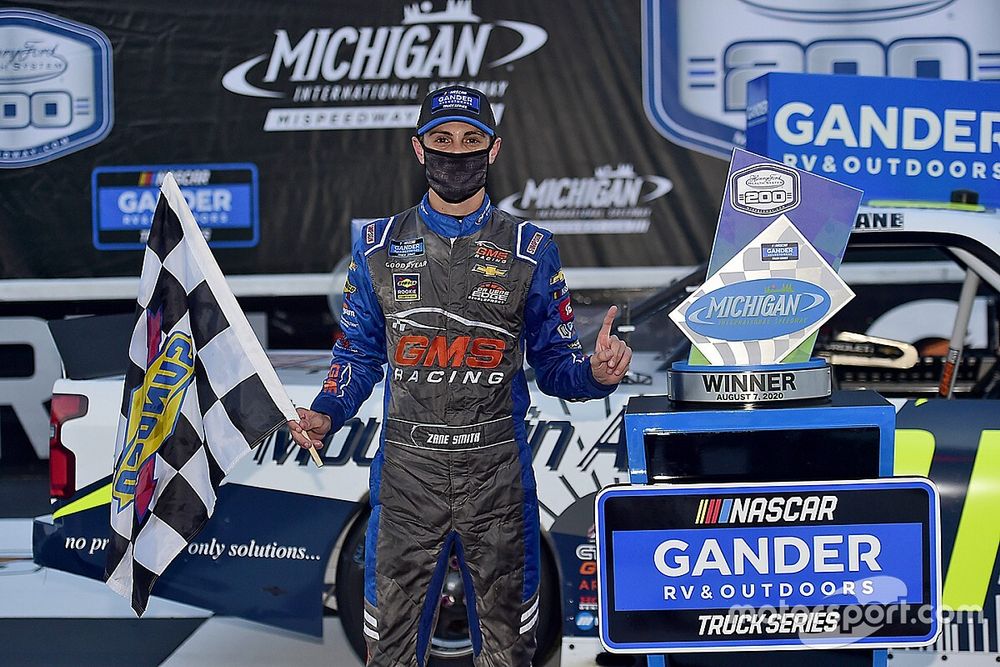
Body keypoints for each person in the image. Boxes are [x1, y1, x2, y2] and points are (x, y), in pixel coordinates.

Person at [289, 85, 631, 667]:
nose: (456, 153)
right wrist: (327, 410)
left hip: (497, 474)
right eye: (442, 141)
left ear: (493, 151)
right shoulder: (377, 245)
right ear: (418, 149)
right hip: (406, 475)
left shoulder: (530, 247)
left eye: (470, 142)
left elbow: (554, 367)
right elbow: (357, 354)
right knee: (389, 651)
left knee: (509, 650)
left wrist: (595, 374)